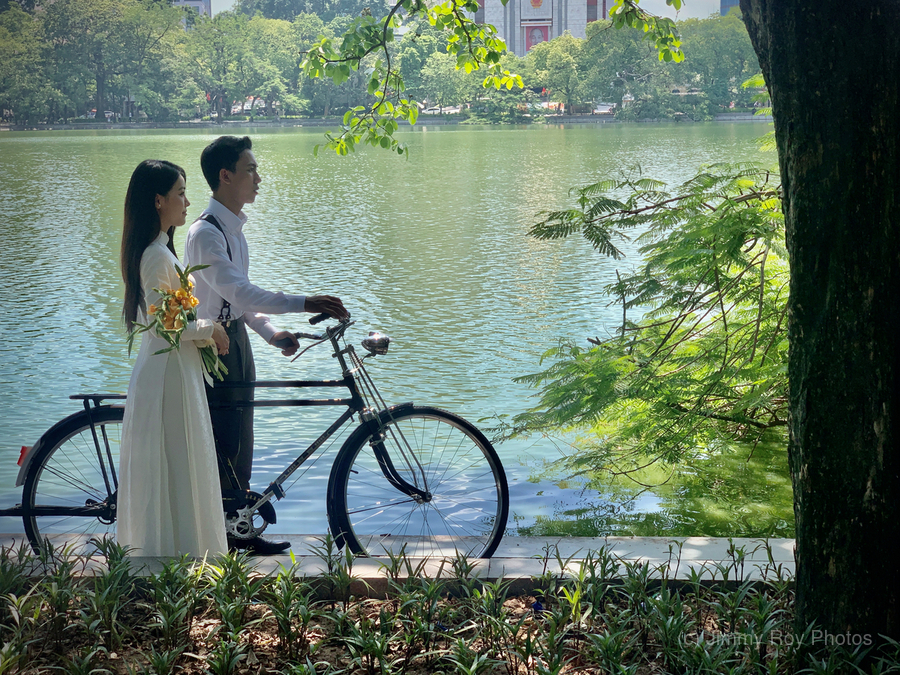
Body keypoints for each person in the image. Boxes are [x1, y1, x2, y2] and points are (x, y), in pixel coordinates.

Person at [185, 136, 348, 555]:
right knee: (224, 440)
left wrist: (272, 333)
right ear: (225, 176)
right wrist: (306, 302)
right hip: (211, 346)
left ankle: (238, 529)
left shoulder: (233, 231)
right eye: (250, 170)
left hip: (234, 338)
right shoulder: (206, 233)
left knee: (242, 437)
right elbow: (241, 292)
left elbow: (239, 304)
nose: (259, 178)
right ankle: (223, 535)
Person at [118, 160, 231, 558]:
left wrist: (201, 330)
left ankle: (182, 551)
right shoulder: (154, 256)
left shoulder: (161, 251)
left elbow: (168, 320)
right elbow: (163, 326)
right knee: (173, 464)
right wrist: (210, 329)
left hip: (174, 370)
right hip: (166, 374)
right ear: (158, 200)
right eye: (180, 193)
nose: (187, 201)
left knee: (180, 463)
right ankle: (168, 555)